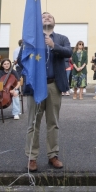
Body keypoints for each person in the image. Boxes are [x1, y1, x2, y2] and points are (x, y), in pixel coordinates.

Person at [21, 12, 72, 172]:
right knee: (33, 123)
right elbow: (21, 60)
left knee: (53, 122)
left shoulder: (62, 38)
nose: (47, 17)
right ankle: (32, 157)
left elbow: (69, 53)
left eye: (50, 16)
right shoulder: (31, 38)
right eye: (43, 16)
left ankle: (53, 155)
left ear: (54, 22)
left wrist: (52, 45)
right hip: (35, 86)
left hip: (54, 85)